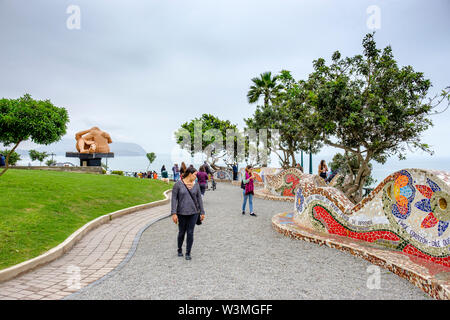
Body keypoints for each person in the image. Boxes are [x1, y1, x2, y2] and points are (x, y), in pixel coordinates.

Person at [171, 166, 205, 260]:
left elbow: (199, 200)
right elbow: (174, 199)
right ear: (190, 174)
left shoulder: (196, 185)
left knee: (190, 232)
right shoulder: (178, 184)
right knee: (182, 232)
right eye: (195, 175)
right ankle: (179, 249)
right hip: (181, 213)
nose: (196, 177)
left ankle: (188, 252)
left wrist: (202, 212)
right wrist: (174, 213)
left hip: (194, 212)